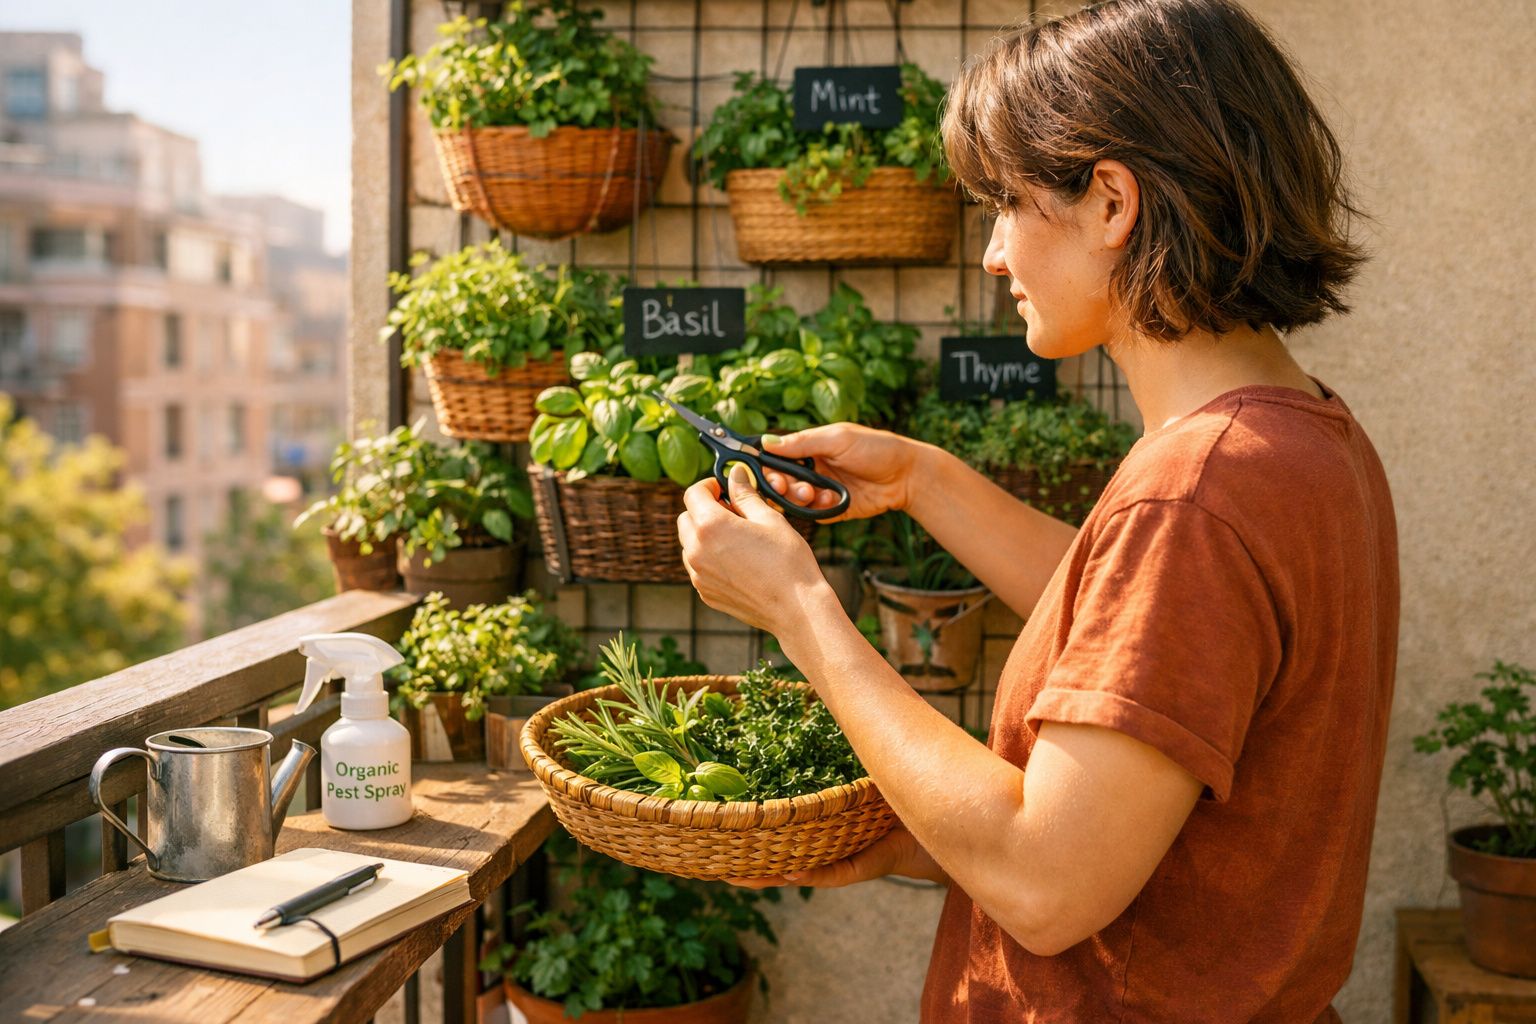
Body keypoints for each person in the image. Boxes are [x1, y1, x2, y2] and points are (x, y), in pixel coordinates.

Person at [675, 0, 1398, 1019]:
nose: (993, 257)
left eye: (1007, 204)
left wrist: (801, 611)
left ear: (1112, 203)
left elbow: (1043, 883)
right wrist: (925, 480)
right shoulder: (1303, 440)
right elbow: (1147, 635)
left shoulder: (1197, 493)